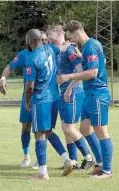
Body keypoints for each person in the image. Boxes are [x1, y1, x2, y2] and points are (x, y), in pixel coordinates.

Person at [0, 31, 70, 169]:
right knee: (28, 127)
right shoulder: (26, 54)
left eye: (45, 39)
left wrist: (27, 101)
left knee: (42, 131)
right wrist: (3, 78)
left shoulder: (38, 55)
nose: (44, 41)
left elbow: (30, 86)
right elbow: (9, 67)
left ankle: (43, 165)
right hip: (46, 97)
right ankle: (27, 157)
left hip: (37, 97)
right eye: (42, 39)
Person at [58, 20, 113, 179]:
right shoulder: (86, 49)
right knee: (84, 129)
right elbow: (86, 68)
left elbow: (93, 73)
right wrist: (69, 87)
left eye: (71, 37)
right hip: (89, 95)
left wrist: (69, 76)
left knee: (101, 132)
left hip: (97, 94)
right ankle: (100, 163)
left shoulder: (91, 46)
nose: (71, 41)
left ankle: (107, 170)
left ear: (77, 32)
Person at [24, 29, 74, 180]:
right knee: (48, 131)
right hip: (54, 97)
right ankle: (67, 159)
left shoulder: (31, 58)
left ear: (29, 42)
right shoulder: (50, 48)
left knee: (39, 134)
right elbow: (64, 47)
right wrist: (68, 40)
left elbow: (30, 86)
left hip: (40, 100)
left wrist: (27, 101)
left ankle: (43, 173)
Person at [47, 25, 95, 175]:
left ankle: (88, 157)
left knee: (69, 128)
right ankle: (72, 161)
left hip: (73, 92)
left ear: (59, 34)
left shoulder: (69, 49)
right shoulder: (58, 50)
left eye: (50, 35)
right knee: (66, 128)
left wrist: (69, 87)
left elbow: (80, 71)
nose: (48, 38)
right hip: (64, 92)